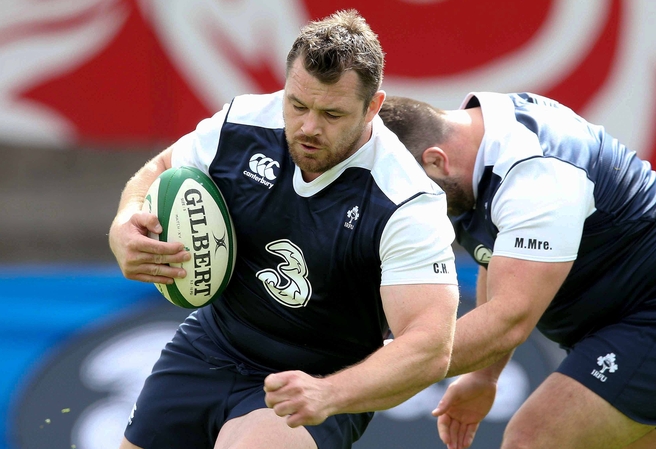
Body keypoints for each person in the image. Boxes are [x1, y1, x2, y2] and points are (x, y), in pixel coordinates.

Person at [108, 10, 460, 449]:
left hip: (317, 378)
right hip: (212, 343)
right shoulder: (242, 123)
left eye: (332, 113)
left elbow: (430, 344)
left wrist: (330, 393)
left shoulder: (404, 201)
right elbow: (163, 166)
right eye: (297, 105)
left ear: (373, 107)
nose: (309, 127)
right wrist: (125, 221)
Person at [379, 92, 656, 449]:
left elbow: (508, 320)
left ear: (436, 161)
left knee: (529, 441)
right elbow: (498, 260)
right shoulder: (474, 151)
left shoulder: (536, 171)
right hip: (625, 328)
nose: (403, 212)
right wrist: (483, 376)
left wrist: (378, 365)